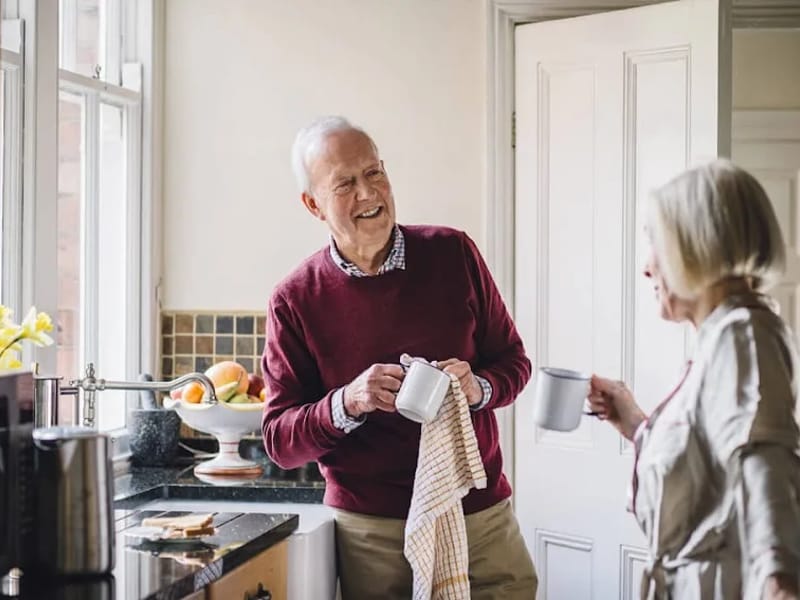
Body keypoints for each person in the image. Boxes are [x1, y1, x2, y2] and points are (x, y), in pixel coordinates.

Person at [260, 116, 537, 599]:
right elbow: (280, 441)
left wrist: (479, 389)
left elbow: (513, 361)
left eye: (374, 173)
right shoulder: (295, 299)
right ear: (313, 204)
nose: (368, 194)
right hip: (372, 530)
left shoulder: (454, 253)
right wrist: (347, 403)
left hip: (479, 514)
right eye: (345, 183)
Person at [589, 159, 800, 600]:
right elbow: (710, 470)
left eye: (658, 246)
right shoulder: (721, 336)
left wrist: (780, 581)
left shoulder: (742, 335)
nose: (648, 267)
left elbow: (764, 464)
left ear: (699, 247)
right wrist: (635, 424)